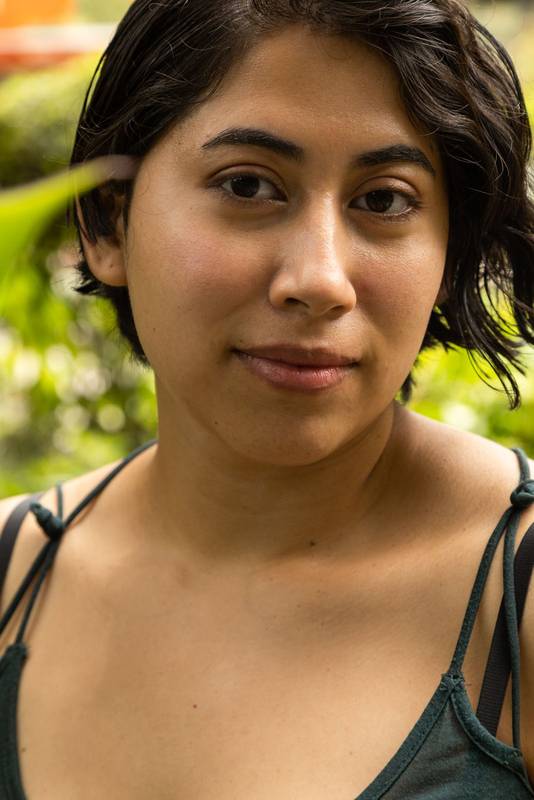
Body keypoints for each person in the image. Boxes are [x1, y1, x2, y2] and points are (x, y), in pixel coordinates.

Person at [1, 0, 534, 796]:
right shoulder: (13, 574)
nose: (319, 280)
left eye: (384, 200)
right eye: (248, 185)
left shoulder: (515, 601)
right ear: (107, 226)